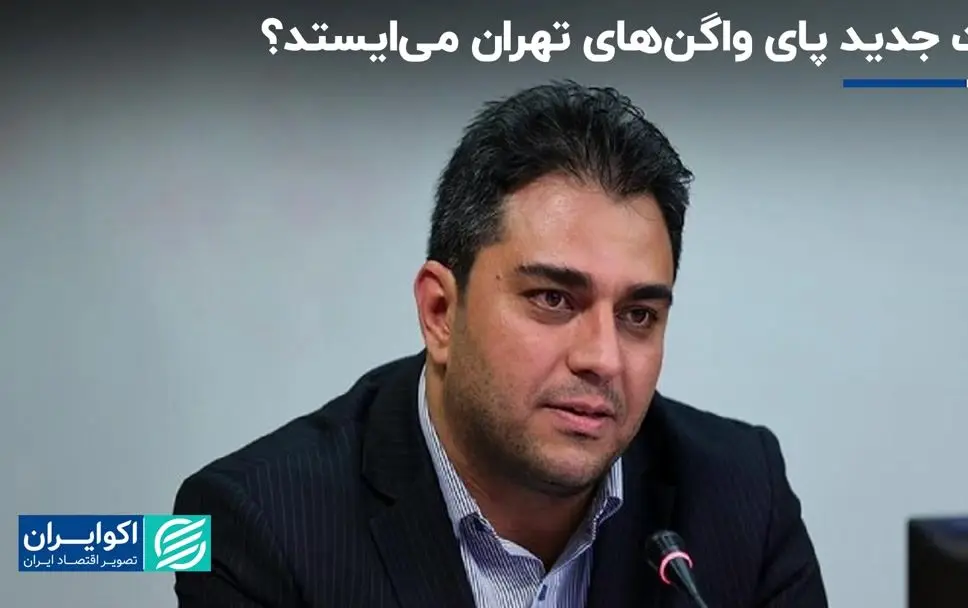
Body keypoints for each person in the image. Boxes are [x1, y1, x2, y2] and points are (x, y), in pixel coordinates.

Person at [173, 81, 828, 608]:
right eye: (553, 299)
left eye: (638, 314)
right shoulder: (258, 521)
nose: (602, 358)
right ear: (439, 312)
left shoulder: (742, 493)